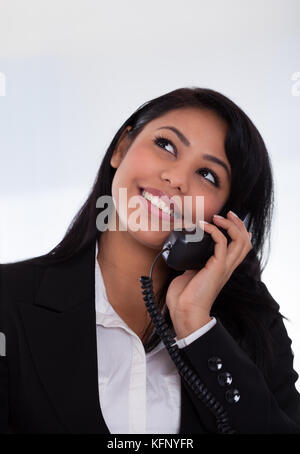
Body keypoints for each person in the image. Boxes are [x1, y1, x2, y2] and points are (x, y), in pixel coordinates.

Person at [0, 87, 300, 434]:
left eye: (207, 175)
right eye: (166, 145)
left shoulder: (254, 326)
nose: (175, 179)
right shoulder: (8, 301)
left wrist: (196, 328)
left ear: (227, 218)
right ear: (121, 148)